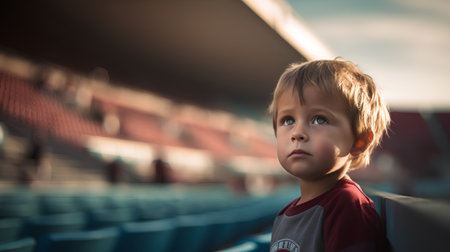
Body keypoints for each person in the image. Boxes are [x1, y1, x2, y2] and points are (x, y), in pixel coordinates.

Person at [269, 59, 391, 252]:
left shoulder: (348, 206)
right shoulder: (283, 215)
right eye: (288, 120)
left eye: (319, 119)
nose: (297, 133)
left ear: (359, 141)